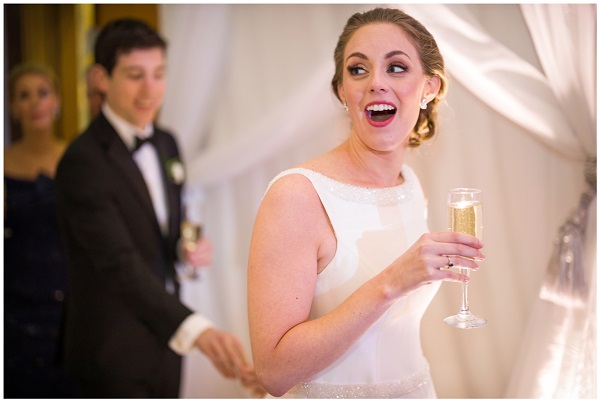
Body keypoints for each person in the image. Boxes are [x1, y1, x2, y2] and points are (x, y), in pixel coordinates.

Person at [247, 7, 485, 398]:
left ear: (429, 88)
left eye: (396, 68)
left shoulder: (411, 186)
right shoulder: (296, 196)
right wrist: (392, 282)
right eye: (358, 70)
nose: (376, 83)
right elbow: (273, 373)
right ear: (342, 90)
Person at [55, 18, 262, 398]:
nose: (150, 89)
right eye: (135, 75)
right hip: (110, 348)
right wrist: (199, 330)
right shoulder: (81, 161)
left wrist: (185, 251)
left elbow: (164, 230)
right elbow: (118, 263)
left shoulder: (167, 143)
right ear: (102, 78)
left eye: (159, 74)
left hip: (165, 341)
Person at [4, 63, 79, 397]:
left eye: (42, 93)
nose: (35, 103)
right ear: (13, 108)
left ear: (57, 102)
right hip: (15, 302)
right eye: (24, 95)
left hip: (73, 297)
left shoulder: (78, 159)